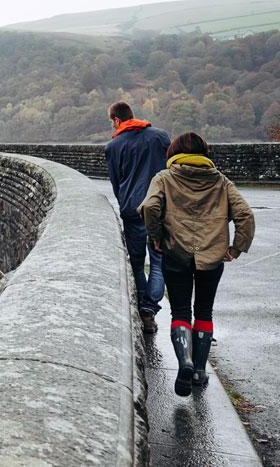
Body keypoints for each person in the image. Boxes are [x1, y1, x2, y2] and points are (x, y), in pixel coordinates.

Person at [138, 132, 254, 396]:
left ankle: (185, 361)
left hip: (175, 254)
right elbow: (245, 215)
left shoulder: (164, 179)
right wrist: (236, 248)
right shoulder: (221, 182)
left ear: (174, 153)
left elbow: (150, 208)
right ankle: (200, 371)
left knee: (180, 311)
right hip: (212, 258)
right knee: (204, 310)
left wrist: (156, 236)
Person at [105, 101, 171, 333]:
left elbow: (116, 181)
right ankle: (149, 309)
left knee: (136, 260)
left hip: (133, 211)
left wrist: (125, 201)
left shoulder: (113, 147)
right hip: (161, 208)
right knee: (158, 261)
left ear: (116, 120)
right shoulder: (160, 137)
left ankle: (144, 308)